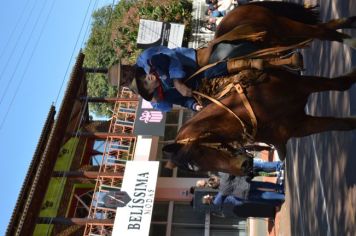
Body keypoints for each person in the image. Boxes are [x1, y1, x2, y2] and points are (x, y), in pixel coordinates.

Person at [120, 46, 302, 112]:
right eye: (145, 82)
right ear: (149, 91)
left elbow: (172, 57)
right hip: (200, 91)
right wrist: (194, 105)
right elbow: (183, 102)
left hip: (195, 66)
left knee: (218, 67)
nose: (148, 78)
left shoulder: (152, 62)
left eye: (143, 77)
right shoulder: (163, 98)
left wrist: (177, 81)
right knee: (217, 111)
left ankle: (279, 60)